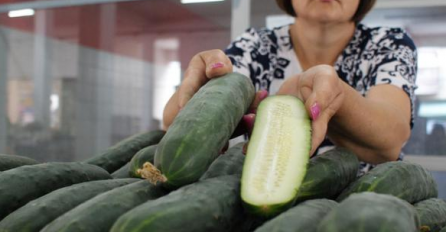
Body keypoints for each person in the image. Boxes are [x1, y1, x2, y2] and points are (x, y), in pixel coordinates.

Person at [163, 0, 417, 174]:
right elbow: (174, 125)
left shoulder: (388, 43)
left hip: (365, 204)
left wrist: (335, 96)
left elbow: (391, 138)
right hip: (267, 199)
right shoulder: (255, 45)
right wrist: (199, 93)